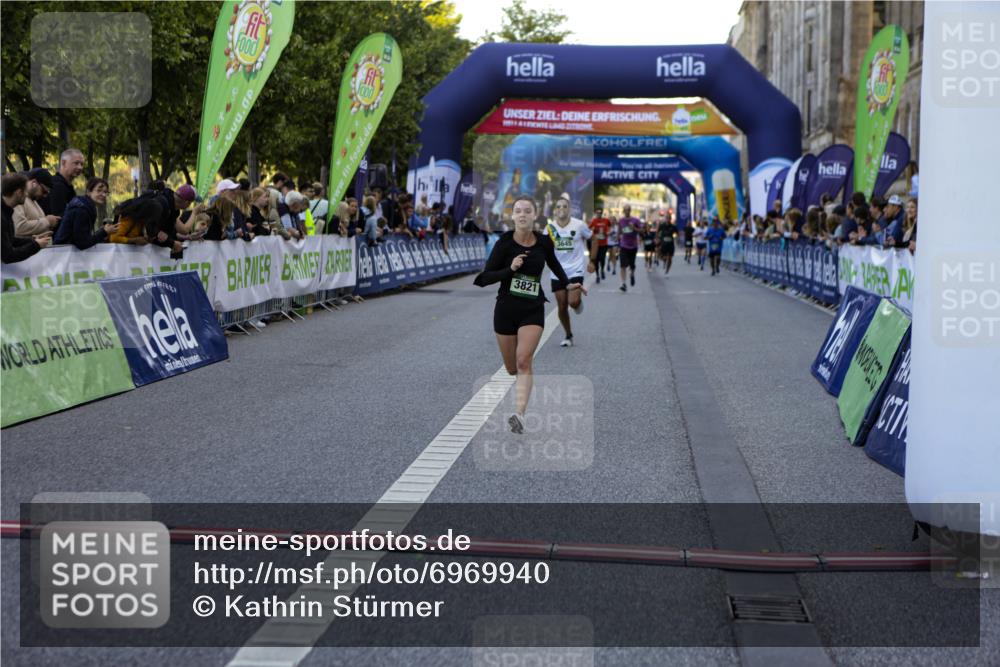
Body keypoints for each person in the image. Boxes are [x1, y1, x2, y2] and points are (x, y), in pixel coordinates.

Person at [474, 195, 585, 434]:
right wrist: (510, 269)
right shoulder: (504, 243)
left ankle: (519, 415)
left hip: (532, 308)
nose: (522, 214)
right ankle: (519, 392)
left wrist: (568, 284)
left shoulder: (544, 242)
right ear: (512, 216)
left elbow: (555, 265)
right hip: (505, 309)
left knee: (524, 361)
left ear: (535, 215)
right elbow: (483, 278)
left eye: (527, 210)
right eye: (518, 211)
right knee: (511, 368)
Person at [546, 196, 595, 347]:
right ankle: (568, 335)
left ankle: (577, 303)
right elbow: (542, 247)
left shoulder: (579, 225)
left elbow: (594, 239)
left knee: (572, 302)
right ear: (555, 210)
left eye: (564, 206)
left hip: (575, 270)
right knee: (561, 305)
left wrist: (592, 260)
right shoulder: (550, 228)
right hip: (557, 271)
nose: (561, 209)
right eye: (558, 206)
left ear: (570, 209)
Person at [53, 178, 119, 250]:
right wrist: (104, 232)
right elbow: (82, 244)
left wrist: (101, 231)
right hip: (63, 253)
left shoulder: (86, 206)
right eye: (99, 190)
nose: (103, 195)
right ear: (88, 192)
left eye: (105, 192)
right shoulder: (81, 210)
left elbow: (83, 238)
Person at [3, 173, 52, 263]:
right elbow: (8, 256)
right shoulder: (2, 217)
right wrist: (35, 245)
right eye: (25, 191)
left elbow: (10, 240)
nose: (26, 195)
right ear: (18, 192)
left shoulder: (6, 212)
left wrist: (33, 241)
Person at [13, 168, 60, 238]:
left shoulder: (33, 200)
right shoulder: (18, 198)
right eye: (44, 191)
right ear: (34, 183)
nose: (45, 196)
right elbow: (19, 227)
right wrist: (47, 221)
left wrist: (49, 224)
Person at [42, 148, 85, 216]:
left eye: (82, 164)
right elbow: (58, 216)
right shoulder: (57, 186)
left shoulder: (68, 187)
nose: (80, 167)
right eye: (76, 163)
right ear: (63, 163)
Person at [616, 205, 643, 292]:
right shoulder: (621, 220)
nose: (627, 211)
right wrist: (617, 242)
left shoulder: (636, 220)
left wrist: (634, 228)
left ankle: (632, 274)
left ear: (630, 211)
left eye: (628, 210)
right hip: (623, 245)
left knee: (632, 265)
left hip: (633, 246)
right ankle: (623, 284)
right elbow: (619, 232)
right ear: (623, 211)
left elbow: (642, 230)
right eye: (625, 210)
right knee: (623, 265)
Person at [588, 207, 611, 283]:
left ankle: (602, 270)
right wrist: (593, 231)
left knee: (602, 258)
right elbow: (588, 229)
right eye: (597, 213)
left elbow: (610, 228)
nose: (598, 214)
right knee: (596, 260)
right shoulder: (594, 221)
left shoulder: (606, 220)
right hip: (596, 244)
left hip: (604, 243)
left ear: (602, 213)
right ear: (596, 213)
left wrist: (607, 233)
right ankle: (597, 275)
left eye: (600, 213)